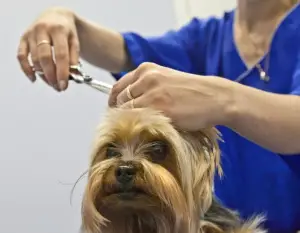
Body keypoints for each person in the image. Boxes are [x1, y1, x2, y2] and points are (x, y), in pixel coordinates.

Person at [17, 0, 300, 232]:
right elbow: (123, 49)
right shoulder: (207, 38)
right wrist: (66, 20)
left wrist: (224, 99)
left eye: (157, 151)